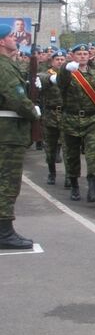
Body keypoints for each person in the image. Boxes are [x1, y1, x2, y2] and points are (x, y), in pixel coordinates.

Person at [0, 24, 40, 249]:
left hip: (6, 131)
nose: (15, 39)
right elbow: (15, 97)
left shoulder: (8, 64)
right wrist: (33, 111)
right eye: (10, 36)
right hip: (8, 133)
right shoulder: (4, 67)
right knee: (8, 182)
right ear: (1, 42)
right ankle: (4, 233)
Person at [56, 43, 95, 203]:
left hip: (92, 120)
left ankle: (93, 189)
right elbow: (60, 81)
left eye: (85, 53)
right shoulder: (68, 73)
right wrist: (66, 67)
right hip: (70, 120)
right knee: (71, 156)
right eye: (79, 54)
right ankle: (74, 186)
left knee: (92, 155)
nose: (83, 56)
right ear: (73, 55)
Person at [38, 49, 67, 185]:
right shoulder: (46, 74)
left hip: (66, 114)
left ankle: (69, 176)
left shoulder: (70, 74)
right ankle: (52, 172)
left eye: (62, 59)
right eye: (57, 60)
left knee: (68, 147)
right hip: (50, 114)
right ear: (52, 61)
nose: (60, 62)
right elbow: (42, 78)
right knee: (49, 147)